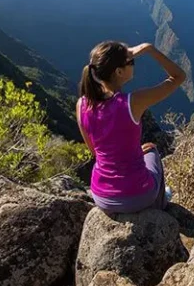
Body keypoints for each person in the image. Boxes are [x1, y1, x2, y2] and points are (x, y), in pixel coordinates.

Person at [76, 41, 186, 213]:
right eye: (131, 62)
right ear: (119, 72)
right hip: (138, 196)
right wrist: (149, 49)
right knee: (151, 150)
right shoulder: (132, 102)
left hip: (102, 197)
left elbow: (95, 152)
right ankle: (161, 202)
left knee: (142, 150)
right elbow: (179, 76)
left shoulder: (82, 105)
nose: (133, 64)